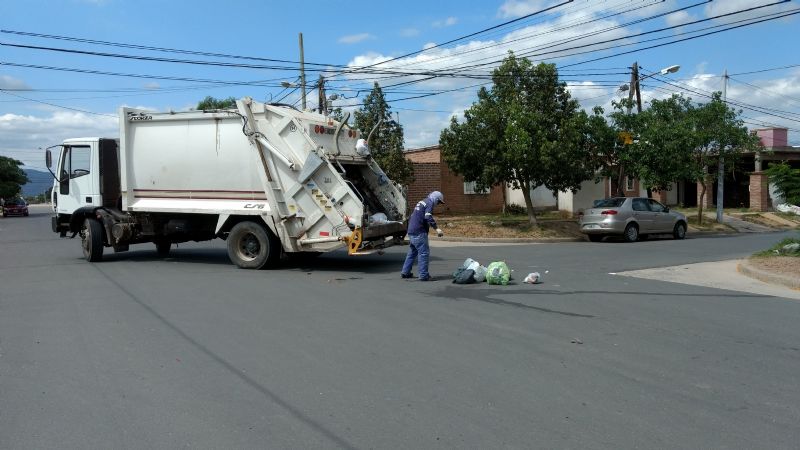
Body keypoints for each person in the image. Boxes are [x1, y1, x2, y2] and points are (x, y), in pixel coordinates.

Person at [401, 191, 445, 281]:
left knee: (412, 252)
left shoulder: (423, 201)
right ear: (435, 199)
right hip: (419, 231)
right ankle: (423, 275)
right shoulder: (430, 203)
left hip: (411, 230)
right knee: (423, 253)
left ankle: (405, 272)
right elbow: (428, 216)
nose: (438, 204)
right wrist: (437, 228)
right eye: (439, 202)